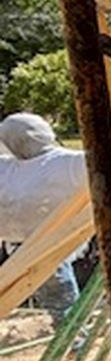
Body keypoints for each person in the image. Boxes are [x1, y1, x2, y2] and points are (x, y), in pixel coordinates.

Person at [0, 113, 90, 325]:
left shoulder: (68, 163)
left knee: (60, 299)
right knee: (54, 297)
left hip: (49, 244)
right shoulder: (9, 166)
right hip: (21, 244)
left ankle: (73, 338)